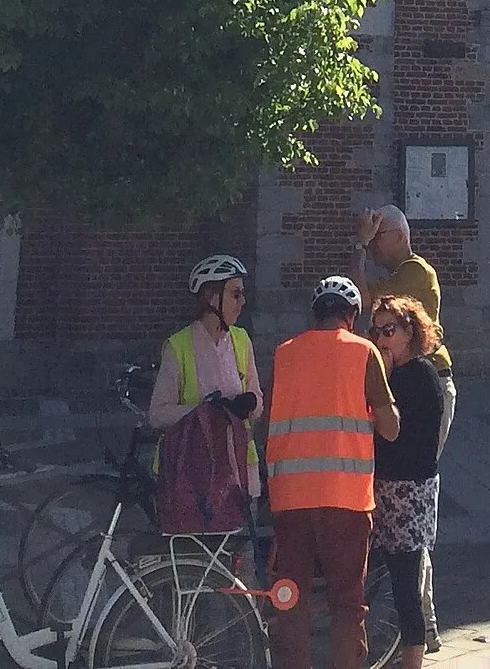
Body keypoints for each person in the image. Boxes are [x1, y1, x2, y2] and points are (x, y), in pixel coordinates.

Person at [264, 275, 400, 669]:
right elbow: (390, 428)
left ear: (314, 313)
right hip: (345, 500)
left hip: (290, 498)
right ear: (352, 316)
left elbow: (267, 422)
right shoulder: (364, 352)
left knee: (290, 599)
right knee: (347, 604)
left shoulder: (284, 353)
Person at [368, 297, 453, 669]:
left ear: (409, 332)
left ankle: (413, 661)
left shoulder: (416, 375)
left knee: (405, 584)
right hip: (393, 487)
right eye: (377, 331)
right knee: (398, 578)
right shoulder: (402, 373)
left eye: (391, 330)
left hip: (407, 492)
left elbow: (393, 432)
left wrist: (381, 376)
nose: (383, 338)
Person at [149, 254, 264, 507]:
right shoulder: (178, 346)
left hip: (238, 472)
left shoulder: (241, 340)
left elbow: (258, 404)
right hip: (192, 477)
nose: (242, 302)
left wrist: (249, 402)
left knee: (239, 547)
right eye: (235, 294)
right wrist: (208, 411)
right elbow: (157, 415)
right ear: (213, 297)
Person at [353, 207, 452, 377]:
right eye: (371, 237)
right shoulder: (402, 273)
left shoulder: (416, 270)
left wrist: (360, 244)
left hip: (428, 372)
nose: (372, 244)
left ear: (399, 236)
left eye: (377, 235)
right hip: (413, 371)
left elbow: (360, 298)